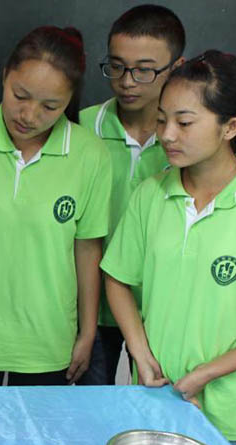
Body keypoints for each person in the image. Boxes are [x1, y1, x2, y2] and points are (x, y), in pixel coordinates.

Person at [102, 51, 236, 445]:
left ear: (231, 127)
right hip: (154, 395)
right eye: (162, 120)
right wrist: (139, 351)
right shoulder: (151, 194)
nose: (167, 135)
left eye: (184, 122)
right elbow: (117, 277)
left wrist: (205, 374)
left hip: (227, 410)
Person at [0, 26, 112, 386]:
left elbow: (87, 249)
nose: (29, 114)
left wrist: (87, 332)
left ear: (69, 100)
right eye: (20, 95)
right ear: (4, 76)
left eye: (50, 106)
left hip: (48, 340)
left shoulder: (90, 155)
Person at [78, 4, 186, 385]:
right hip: (90, 307)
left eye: (144, 70)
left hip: (161, 308)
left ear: (177, 67)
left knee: (157, 405)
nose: (127, 81)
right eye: (117, 66)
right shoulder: (82, 129)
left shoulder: (187, 142)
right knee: (89, 406)